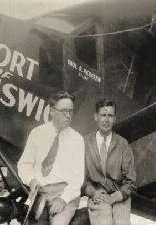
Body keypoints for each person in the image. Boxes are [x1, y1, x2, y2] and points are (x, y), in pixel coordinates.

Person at [17, 91, 85, 225]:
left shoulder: (77, 139)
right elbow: (24, 164)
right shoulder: (37, 133)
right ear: (52, 111)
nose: (68, 116)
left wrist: (64, 200)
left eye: (71, 111)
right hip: (39, 192)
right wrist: (31, 180)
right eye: (64, 111)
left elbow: (78, 178)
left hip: (64, 194)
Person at [82, 99, 136, 225]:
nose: (106, 120)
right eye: (103, 115)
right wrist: (92, 192)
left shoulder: (123, 144)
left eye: (110, 116)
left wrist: (115, 197)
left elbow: (131, 182)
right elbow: (80, 178)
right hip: (98, 196)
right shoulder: (85, 143)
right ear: (96, 117)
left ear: (114, 119)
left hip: (119, 197)